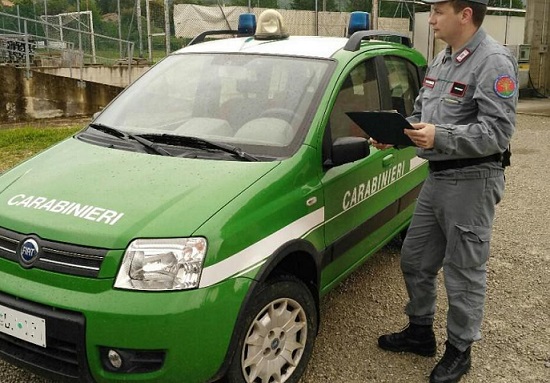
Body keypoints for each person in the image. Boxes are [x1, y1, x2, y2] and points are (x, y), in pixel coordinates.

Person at [372, 1, 518, 382]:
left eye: (438, 12)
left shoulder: (493, 61)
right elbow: (425, 114)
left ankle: (460, 349)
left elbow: (497, 133)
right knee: (415, 259)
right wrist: (400, 134)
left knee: (463, 271)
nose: (431, 19)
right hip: (437, 177)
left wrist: (441, 135)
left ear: (465, 14)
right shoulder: (441, 60)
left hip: (472, 181)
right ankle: (420, 332)